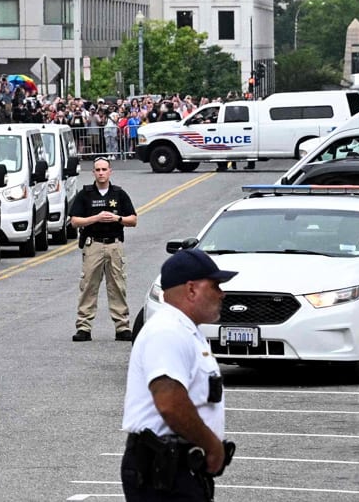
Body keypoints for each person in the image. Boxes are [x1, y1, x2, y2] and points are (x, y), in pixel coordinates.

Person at [121, 249, 236, 500]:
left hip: (178, 467)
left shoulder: (186, 331)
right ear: (192, 289)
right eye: (215, 285)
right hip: (163, 469)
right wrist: (211, 445)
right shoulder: (168, 331)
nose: (222, 293)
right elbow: (170, 402)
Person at [69, 157, 139, 341]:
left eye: (104, 169)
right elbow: (74, 221)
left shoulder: (119, 194)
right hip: (93, 244)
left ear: (110, 172)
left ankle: (122, 327)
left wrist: (117, 219)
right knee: (88, 285)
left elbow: (133, 219)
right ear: (93, 172)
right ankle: (84, 327)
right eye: (97, 169)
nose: (101, 173)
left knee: (117, 285)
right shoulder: (86, 194)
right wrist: (96, 218)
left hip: (114, 245)